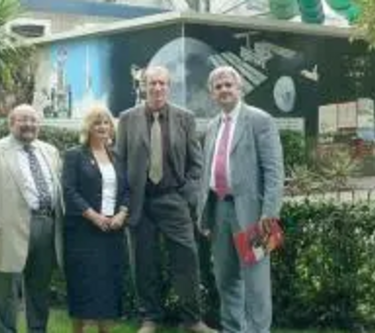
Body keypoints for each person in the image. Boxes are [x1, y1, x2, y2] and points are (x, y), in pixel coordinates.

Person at [117, 66, 214, 333]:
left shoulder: (185, 118)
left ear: (169, 87)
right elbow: (120, 162)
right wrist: (124, 202)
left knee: (186, 259)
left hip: (174, 199)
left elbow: (197, 164)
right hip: (140, 203)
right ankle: (150, 318)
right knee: (144, 262)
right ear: (143, 86)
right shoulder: (127, 119)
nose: (157, 88)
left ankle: (192, 320)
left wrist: (187, 196)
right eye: (152, 83)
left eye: (162, 83)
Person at [196, 66, 284, 333]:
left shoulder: (260, 120)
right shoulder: (212, 126)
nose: (224, 90)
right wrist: (204, 214)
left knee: (256, 284)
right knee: (226, 280)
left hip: (254, 215)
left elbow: (274, 170)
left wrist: (269, 214)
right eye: (218, 86)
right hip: (220, 211)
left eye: (228, 85)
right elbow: (207, 172)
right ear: (212, 93)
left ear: (240, 88)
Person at [0, 104, 63, 333]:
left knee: (39, 290)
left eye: (33, 120)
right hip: (6, 232)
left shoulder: (50, 151)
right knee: (4, 295)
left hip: (47, 227)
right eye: (23, 120)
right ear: (11, 123)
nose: (29, 125)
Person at [62, 105, 129, 333]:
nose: (102, 127)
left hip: (112, 231)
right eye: (97, 123)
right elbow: (69, 191)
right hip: (83, 231)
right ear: (88, 128)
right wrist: (93, 216)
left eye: (106, 122)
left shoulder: (118, 156)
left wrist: (122, 212)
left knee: (108, 286)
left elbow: (127, 190)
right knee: (83, 285)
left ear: (112, 127)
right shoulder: (74, 155)